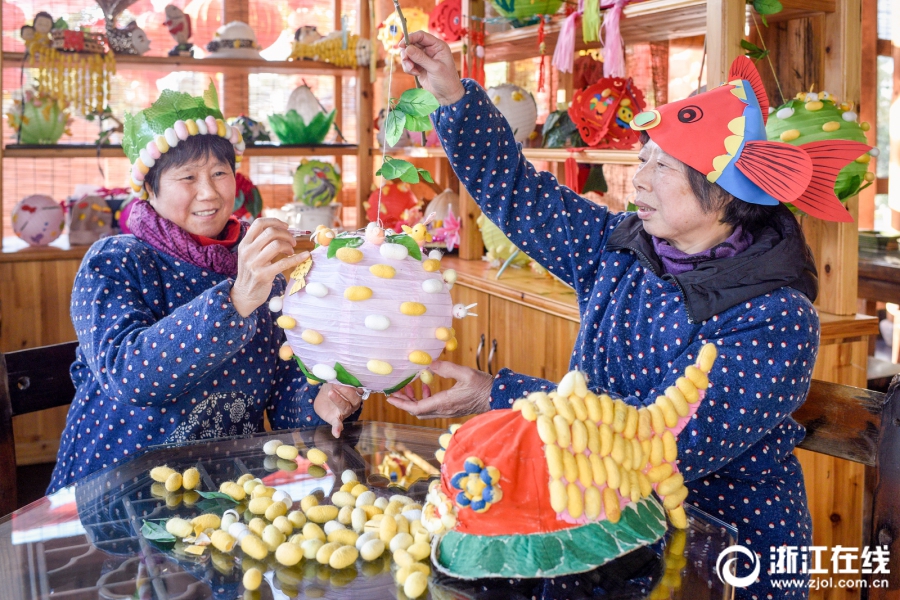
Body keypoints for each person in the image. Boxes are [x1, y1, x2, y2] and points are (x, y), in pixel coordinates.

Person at [379, 31, 869, 599]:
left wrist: (498, 396)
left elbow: (656, 441)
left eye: (664, 167)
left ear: (725, 193)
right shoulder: (621, 245)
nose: (638, 178)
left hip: (722, 552)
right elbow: (515, 190)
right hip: (602, 527)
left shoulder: (776, 317)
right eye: (644, 158)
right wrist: (450, 94)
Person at [48, 85, 360, 493]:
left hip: (229, 497)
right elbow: (128, 376)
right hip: (115, 496)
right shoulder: (116, 261)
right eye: (187, 177)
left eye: (219, 173)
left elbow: (285, 400)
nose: (210, 192)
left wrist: (324, 402)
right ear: (151, 189)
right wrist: (237, 300)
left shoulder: (260, 266)